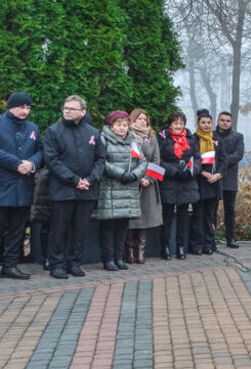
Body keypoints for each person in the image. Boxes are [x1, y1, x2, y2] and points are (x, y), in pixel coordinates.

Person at [43, 95, 106, 279]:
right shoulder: (53, 131)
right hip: (63, 191)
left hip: (87, 190)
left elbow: (100, 159)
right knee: (59, 229)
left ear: (83, 112)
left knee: (80, 230)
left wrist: (91, 179)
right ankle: (57, 264)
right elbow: (52, 160)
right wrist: (74, 179)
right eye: (65, 107)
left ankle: (74, 262)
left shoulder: (93, 133)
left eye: (72, 108)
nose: (67, 110)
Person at [96, 111, 147, 271]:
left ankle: (119, 258)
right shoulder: (103, 139)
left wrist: (135, 174)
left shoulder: (132, 141)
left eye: (125, 125)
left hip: (128, 189)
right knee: (109, 228)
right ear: (111, 126)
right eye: (118, 125)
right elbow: (101, 161)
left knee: (122, 227)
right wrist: (120, 174)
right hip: (111, 189)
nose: (122, 128)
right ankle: (108, 259)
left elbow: (142, 161)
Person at [0, 92, 42, 279]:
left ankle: (10, 265)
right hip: (3, 185)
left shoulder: (32, 127)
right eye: (21, 107)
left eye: (28, 108)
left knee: (17, 229)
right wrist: (16, 163)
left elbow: (41, 150)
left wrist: (31, 164)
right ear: (10, 107)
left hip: (23, 187)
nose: (25, 111)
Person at [157, 111, 200, 260]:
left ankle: (181, 246)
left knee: (183, 216)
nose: (178, 126)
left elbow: (197, 159)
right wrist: (174, 172)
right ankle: (165, 246)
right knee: (167, 216)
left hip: (186, 182)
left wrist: (191, 172)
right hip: (169, 180)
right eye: (175, 123)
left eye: (181, 123)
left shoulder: (191, 139)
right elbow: (159, 160)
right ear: (170, 124)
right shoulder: (163, 138)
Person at [125, 109, 162, 264]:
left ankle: (140, 251)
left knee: (145, 217)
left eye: (145, 119)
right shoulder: (128, 136)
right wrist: (136, 176)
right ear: (133, 120)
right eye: (139, 119)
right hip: (132, 183)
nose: (142, 121)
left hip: (148, 185)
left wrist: (149, 178)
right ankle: (128, 252)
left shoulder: (151, 138)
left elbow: (156, 160)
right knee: (131, 218)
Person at [190, 109, 224, 255]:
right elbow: (190, 161)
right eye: (203, 123)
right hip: (198, 182)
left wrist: (218, 175)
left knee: (209, 216)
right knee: (198, 215)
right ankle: (196, 244)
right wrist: (203, 173)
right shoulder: (193, 139)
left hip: (213, 183)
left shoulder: (216, 140)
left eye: (208, 122)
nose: (206, 125)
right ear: (198, 123)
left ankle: (209, 244)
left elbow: (223, 161)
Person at [215, 111, 244, 248]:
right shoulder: (211, 136)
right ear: (217, 121)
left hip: (230, 178)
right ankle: (210, 238)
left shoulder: (238, 136)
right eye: (222, 120)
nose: (225, 122)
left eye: (227, 120)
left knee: (229, 210)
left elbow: (238, 154)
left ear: (231, 122)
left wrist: (222, 161)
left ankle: (230, 238)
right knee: (211, 210)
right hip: (213, 177)